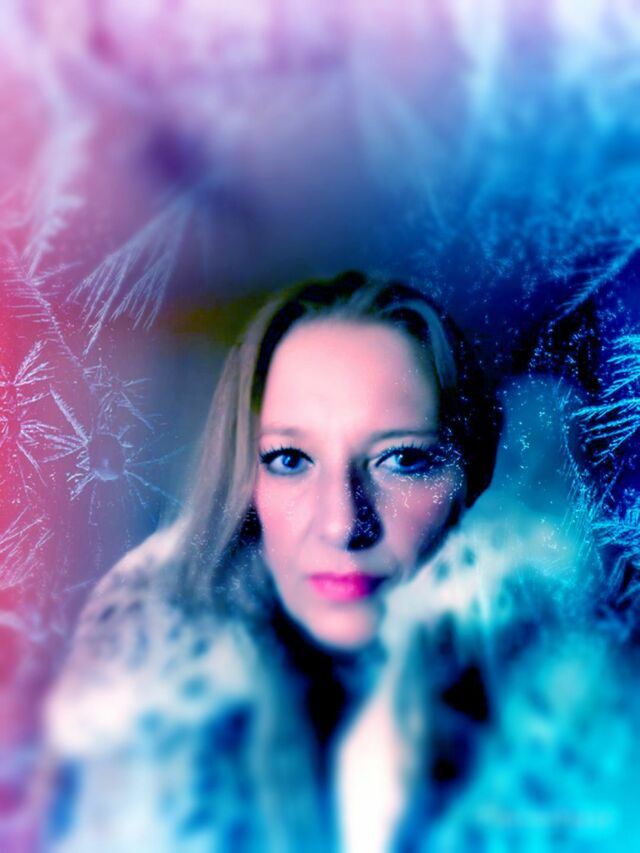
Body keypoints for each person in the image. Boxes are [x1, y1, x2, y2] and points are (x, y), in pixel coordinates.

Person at [43, 271, 503, 852]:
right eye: (289, 459)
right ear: (245, 479)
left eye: (403, 460)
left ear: (473, 472)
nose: (343, 524)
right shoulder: (156, 697)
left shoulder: (552, 702)